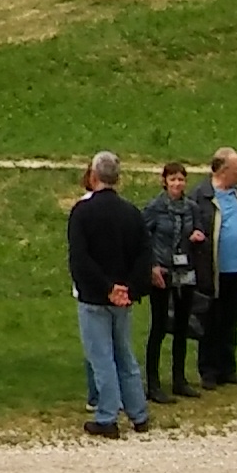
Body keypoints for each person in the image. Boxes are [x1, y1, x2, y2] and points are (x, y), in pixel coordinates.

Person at [67, 151, 153, 437]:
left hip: (95, 296)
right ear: (118, 178)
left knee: (101, 357)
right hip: (123, 298)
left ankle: (107, 416)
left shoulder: (82, 212)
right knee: (125, 355)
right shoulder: (131, 213)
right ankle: (138, 413)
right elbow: (143, 255)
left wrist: (106, 287)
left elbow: (80, 258)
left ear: (93, 175)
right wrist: (129, 288)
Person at [138, 159, 212, 402]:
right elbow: (142, 238)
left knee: (183, 325)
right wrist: (152, 266)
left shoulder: (191, 208)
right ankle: (153, 383)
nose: (177, 184)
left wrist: (198, 236)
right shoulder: (155, 208)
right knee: (159, 326)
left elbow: (200, 232)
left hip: (185, 271)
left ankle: (179, 379)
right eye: (173, 179)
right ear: (165, 182)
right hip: (162, 271)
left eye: (181, 179)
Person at [198, 148, 237, 388]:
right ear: (223, 170)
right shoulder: (202, 196)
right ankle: (209, 370)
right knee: (212, 320)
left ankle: (228, 368)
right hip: (214, 270)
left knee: (232, 319)